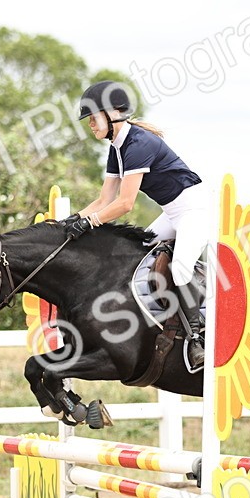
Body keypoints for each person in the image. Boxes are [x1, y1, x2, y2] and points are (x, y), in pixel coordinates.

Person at [63, 80, 210, 373]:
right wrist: (71, 220)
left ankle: (198, 337)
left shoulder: (139, 144)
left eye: (93, 117)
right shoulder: (117, 147)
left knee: (180, 267)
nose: (90, 124)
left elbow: (125, 203)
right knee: (140, 250)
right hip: (173, 211)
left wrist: (90, 222)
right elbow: (105, 198)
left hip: (196, 210)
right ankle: (163, 318)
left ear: (112, 115)